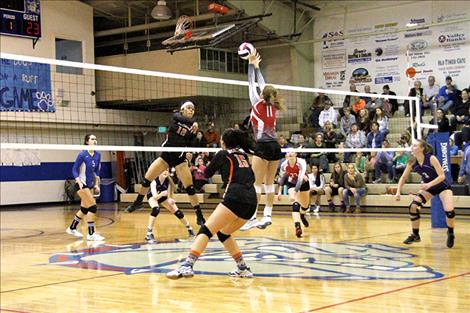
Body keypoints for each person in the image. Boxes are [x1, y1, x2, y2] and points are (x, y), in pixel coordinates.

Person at [166, 129, 257, 279]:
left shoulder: (223, 154)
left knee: (206, 230)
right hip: (252, 202)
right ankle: (243, 268)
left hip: (235, 197)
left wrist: (189, 165)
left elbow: (207, 173)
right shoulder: (243, 155)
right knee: (223, 233)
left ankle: (187, 265)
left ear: (223, 142)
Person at [126, 101, 206, 226]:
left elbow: (191, 142)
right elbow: (178, 118)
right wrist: (194, 122)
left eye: (193, 109)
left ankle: (199, 216)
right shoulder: (176, 117)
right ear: (182, 109)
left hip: (179, 159)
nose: (191, 110)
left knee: (190, 188)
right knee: (146, 180)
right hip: (166, 156)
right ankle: (138, 202)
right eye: (189, 108)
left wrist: (190, 151)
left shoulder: (193, 129)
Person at [240, 51, 285, 231]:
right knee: (269, 183)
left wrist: (251, 65)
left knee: (256, 184)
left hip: (262, 146)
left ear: (262, 95)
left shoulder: (256, 102)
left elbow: (252, 84)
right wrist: (257, 66)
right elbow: (263, 85)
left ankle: (252, 217)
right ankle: (267, 215)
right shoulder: (273, 105)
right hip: (275, 146)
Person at [394, 139, 456, 248]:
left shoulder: (431, 158)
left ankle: (450, 233)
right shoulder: (412, 161)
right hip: (429, 187)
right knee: (413, 207)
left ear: (422, 148)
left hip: (442, 186)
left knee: (449, 211)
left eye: (415, 146)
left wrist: (429, 184)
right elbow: (403, 177)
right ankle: (415, 234)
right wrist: (398, 191)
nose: (412, 147)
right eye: (412, 145)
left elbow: (442, 176)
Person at [66, 134, 104, 241]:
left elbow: (96, 172)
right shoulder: (82, 154)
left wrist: (96, 184)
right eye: (92, 139)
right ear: (87, 142)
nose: (95, 141)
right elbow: (74, 169)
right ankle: (91, 234)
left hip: (91, 184)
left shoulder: (97, 155)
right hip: (81, 184)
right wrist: (78, 180)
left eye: (95, 139)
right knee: (93, 207)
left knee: (84, 208)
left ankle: (72, 227)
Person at [145, 170, 195, 242]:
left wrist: (170, 199)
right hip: (153, 197)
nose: (165, 172)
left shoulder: (168, 181)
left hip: (163, 197)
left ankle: (190, 229)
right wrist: (161, 194)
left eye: (167, 170)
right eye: (163, 170)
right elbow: (155, 197)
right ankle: (149, 233)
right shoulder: (154, 182)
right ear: (159, 172)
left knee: (178, 212)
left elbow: (169, 194)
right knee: (156, 209)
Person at [277, 152, 310, 238]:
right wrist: (279, 192)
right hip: (291, 183)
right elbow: (282, 178)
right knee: (295, 203)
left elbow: (299, 180)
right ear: (286, 155)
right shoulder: (283, 164)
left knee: (305, 206)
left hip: (303, 183)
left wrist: (295, 192)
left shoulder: (301, 162)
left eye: (292, 152)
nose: (290, 154)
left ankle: (302, 215)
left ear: (295, 154)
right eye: (288, 152)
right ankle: (297, 227)